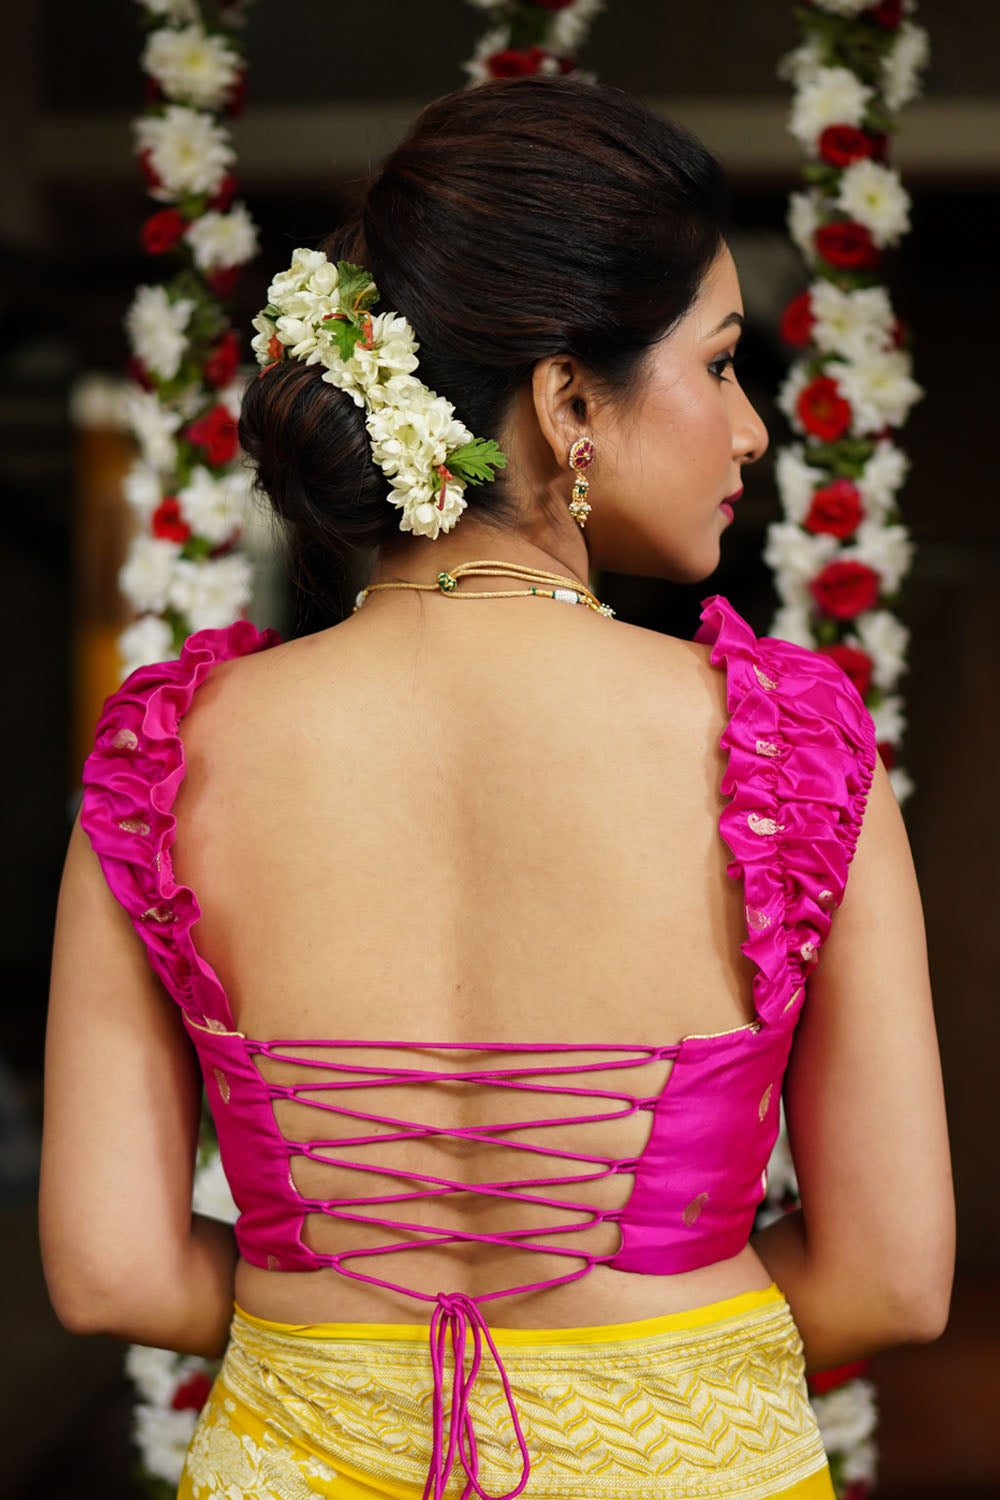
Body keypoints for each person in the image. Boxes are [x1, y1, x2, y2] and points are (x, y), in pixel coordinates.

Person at [41, 77, 953, 1500]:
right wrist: (632, 1362)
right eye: (719, 365)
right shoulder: (793, 745)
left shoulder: (172, 750)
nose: (754, 432)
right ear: (566, 400)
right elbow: (893, 1282)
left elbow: (110, 1273)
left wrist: (347, 1351)